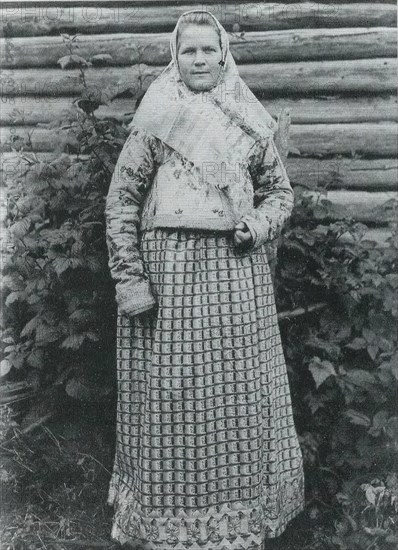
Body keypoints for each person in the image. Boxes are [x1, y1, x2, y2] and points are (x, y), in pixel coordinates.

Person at [105, 10, 304, 550]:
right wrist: (131, 280)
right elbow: (121, 201)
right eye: (188, 50)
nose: (199, 60)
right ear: (176, 56)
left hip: (236, 278)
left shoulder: (246, 119)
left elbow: (280, 195)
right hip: (168, 279)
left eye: (207, 50)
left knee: (237, 398)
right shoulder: (157, 116)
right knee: (172, 398)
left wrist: (255, 225)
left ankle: (236, 527)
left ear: (223, 55)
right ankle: (168, 526)